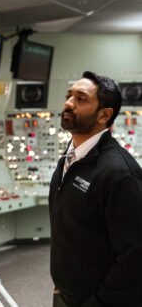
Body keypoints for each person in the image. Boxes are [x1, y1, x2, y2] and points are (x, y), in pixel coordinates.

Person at [49, 71, 142, 307]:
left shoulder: (120, 174)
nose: (68, 103)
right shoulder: (69, 159)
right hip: (66, 293)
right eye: (69, 96)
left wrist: (98, 302)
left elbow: (135, 256)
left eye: (81, 99)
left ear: (104, 115)